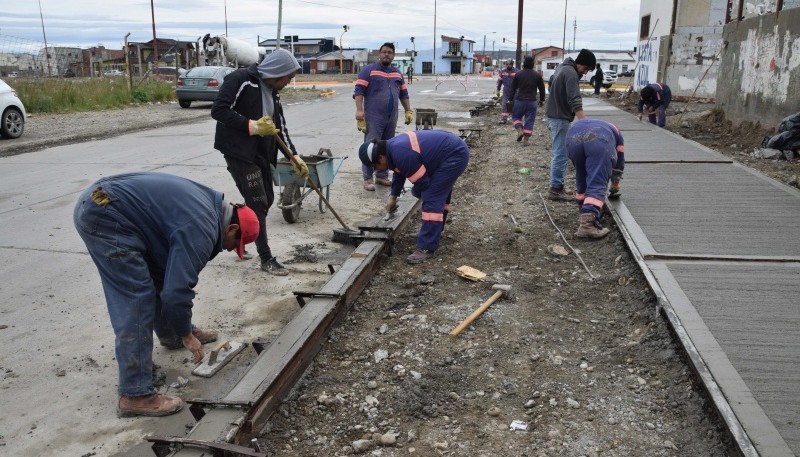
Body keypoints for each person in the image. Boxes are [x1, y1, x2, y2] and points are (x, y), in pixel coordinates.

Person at [73, 172, 260, 417]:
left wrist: (180, 328)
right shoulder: (202, 227)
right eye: (233, 243)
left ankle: (170, 334)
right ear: (232, 227)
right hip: (107, 213)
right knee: (135, 296)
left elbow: (169, 275)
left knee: (159, 273)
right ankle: (135, 395)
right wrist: (187, 335)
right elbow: (176, 291)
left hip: (109, 203)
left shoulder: (210, 208)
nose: (228, 249)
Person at [211, 48, 308, 276]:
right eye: (289, 77)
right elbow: (219, 110)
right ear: (278, 71)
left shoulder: (273, 91)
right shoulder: (241, 80)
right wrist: (252, 126)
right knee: (259, 203)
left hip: (262, 152)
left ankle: (237, 235)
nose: (289, 82)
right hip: (239, 151)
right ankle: (266, 258)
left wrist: (294, 156)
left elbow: (280, 126)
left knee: (267, 198)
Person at [358, 130, 470, 264]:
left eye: (375, 166)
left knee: (431, 195)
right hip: (448, 151)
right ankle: (434, 231)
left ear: (381, 157)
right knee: (431, 191)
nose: (377, 170)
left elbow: (423, 184)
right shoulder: (392, 149)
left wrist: (418, 193)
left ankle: (427, 247)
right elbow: (399, 172)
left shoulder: (401, 153)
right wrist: (393, 196)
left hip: (454, 155)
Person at [354, 42, 414, 191]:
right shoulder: (369, 71)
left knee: (387, 147)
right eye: (384, 52)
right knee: (370, 147)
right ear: (379, 54)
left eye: (390, 52)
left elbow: (403, 94)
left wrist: (408, 110)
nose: (386, 54)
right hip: (374, 116)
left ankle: (382, 176)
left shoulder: (397, 73)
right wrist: (359, 112)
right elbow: (359, 91)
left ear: (393, 55)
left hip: (391, 117)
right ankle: (368, 178)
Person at [545, 48, 596, 201]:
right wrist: (585, 123)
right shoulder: (571, 73)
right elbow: (575, 99)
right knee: (561, 153)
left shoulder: (562, 67)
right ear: (580, 63)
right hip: (560, 118)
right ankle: (556, 189)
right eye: (585, 68)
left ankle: (557, 186)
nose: (585, 73)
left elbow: (551, 84)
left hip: (554, 115)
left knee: (559, 151)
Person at [566, 119, 625, 239]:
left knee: (581, 175)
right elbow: (619, 163)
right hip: (599, 139)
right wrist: (615, 184)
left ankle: (583, 208)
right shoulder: (617, 133)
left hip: (572, 135)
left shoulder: (604, 125)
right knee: (597, 180)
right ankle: (587, 224)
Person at [509, 56, 546, 146]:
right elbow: (542, 89)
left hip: (519, 100)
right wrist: (542, 100)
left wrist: (510, 99)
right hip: (532, 102)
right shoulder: (537, 75)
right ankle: (526, 140)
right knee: (530, 120)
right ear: (533, 64)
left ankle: (519, 130)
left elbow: (512, 88)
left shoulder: (518, 74)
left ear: (524, 63)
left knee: (516, 117)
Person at [496, 60, 517, 124]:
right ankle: (504, 119)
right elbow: (500, 81)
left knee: (515, 105)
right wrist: (498, 89)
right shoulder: (503, 72)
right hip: (506, 91)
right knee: (504, 104)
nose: (508, 65)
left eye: (509, 64)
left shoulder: (517, 71)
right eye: (507, 64)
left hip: (515, 91)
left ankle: (516, 120)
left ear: (512, 64)